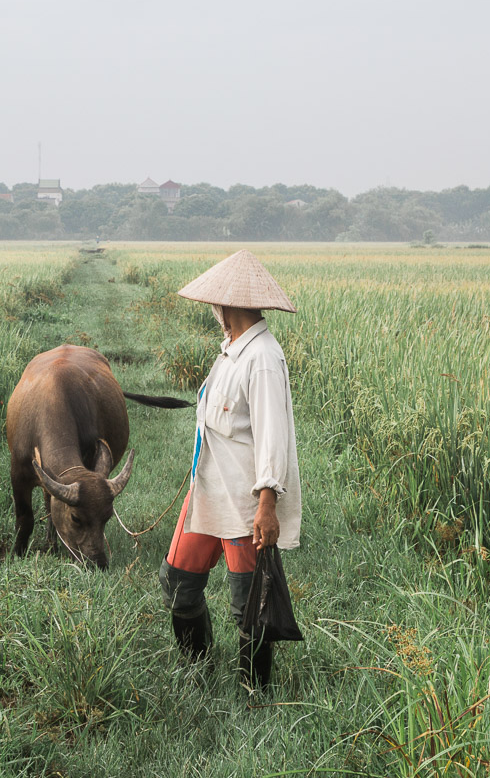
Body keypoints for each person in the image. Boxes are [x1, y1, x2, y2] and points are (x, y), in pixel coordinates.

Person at [158, 250, 301, 690]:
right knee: (177, 583)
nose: (214, 312)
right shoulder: (231, 353)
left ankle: (254, 692)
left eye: (216, 305)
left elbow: (273, 436)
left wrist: (267, 506)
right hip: (207, 492)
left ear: (228, 305)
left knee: (249, 603)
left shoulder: (261, 357)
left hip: (245, 502)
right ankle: (196, 671)